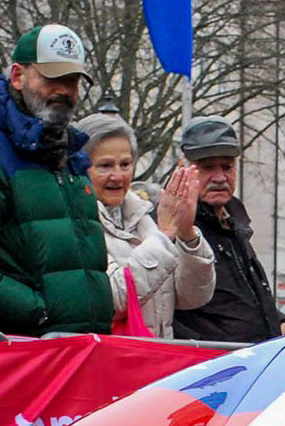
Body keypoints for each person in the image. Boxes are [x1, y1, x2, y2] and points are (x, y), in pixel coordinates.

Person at [0, 24, 113, 334]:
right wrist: (41, 312)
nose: (65, 91)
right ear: (17, 76)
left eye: (72, 81)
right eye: (53, 78)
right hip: (31, 349)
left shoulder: (69, 150)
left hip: (81, 346)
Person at [81, 113, 215, 338]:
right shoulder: (79, 220)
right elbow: (113, 298)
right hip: (115, 361)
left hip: (156, 359)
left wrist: (187, 233)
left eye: (125, 164)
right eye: (105, 166)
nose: (118, 176)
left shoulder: (142, 217)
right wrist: (165, 234)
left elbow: (193, 297)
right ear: (81, 168)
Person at [172, 117, 284, 343]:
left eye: (227, 166)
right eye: (207, 167)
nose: (220, 177)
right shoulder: (170, 224)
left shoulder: (234, 221)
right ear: (183, 169)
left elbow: (246, 299)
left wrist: (280, 321)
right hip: (212, 366)